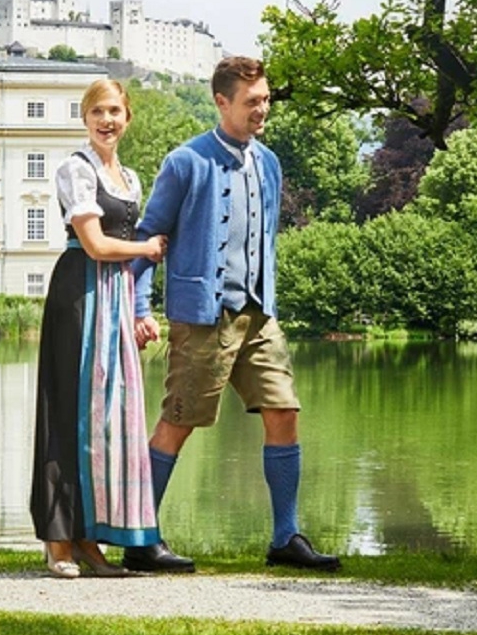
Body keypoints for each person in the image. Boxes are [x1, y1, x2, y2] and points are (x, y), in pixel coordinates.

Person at [126, 56, 341, 573]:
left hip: (260, 314)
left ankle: (285, 537)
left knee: (284, 411)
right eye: (252, 101)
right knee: (178, 421)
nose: (262, 109)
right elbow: (149, 238)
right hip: (203, 317)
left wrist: (266, 295)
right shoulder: (185, 162)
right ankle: (140, 538)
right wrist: (139, 307)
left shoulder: (268, 162)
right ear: (222, 102)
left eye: (266, 99)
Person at [30, 79, 168, 579]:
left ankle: (91, 539)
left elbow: (122, 254)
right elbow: (95, 244)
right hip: (80, 296)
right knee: (71, 414)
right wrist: (149, 248)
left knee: (108, 421)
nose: (107, 120)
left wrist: (137, 311)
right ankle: (59, 540)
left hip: (113, 297)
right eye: (97, 112)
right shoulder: (76, 169)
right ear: (85, 118)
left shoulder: (128, 176)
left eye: (115, 111)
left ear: (128, 118)